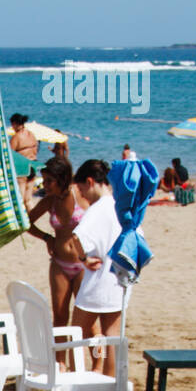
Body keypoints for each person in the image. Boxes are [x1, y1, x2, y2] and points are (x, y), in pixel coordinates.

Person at [53, 159, 126, 378]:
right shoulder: (119, 205)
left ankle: (78, 380)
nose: (82, 195)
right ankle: (109, 381)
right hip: (117, 278)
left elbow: (76, 239)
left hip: (97, 280)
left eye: (83, 189)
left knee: (79, 333)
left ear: (91, 182)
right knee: (110, 334)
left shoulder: (97, 209)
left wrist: (84, 259)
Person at [26, 155, 85, 326]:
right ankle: (60, 354)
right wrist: (46, 238)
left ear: (62, 178)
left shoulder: (81, 195)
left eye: (49, 181)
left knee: (86, 323)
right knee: (59, 319)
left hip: (83, 264)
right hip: (60, 264)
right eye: (44, 180)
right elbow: (26, 224)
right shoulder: (49, 201)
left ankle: (99, 355)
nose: (44, 185)